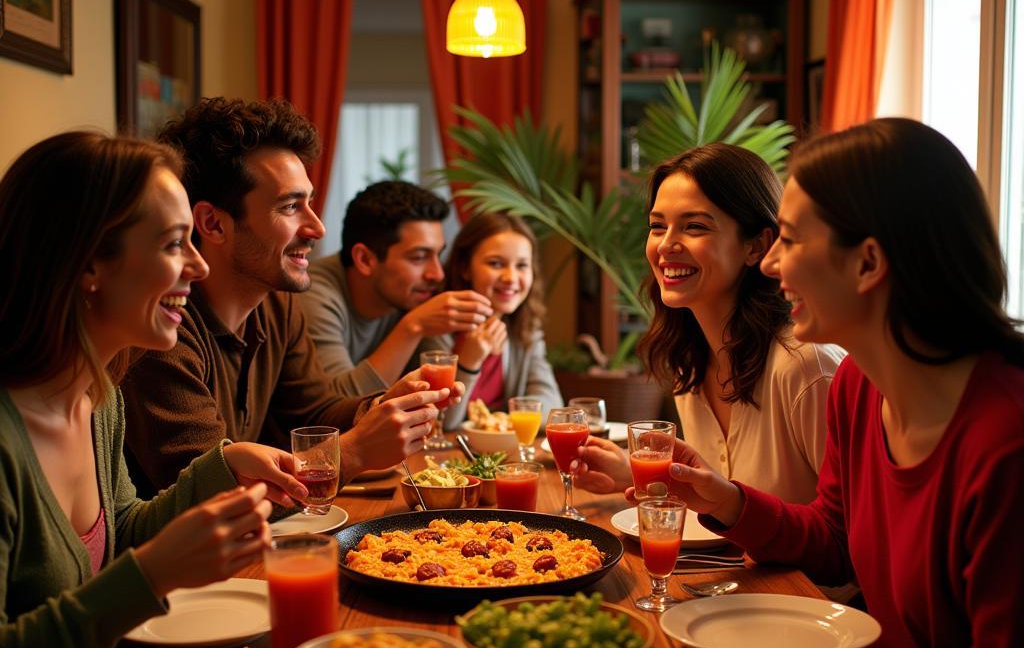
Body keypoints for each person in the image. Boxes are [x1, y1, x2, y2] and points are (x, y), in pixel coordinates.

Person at [667, 119, 1024, 648]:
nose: (771, 263)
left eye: (792, 240)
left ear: (868, 263)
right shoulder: (861, 387)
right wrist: (728, 499)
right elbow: (833, 537)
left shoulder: (1003, 442)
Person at [0, 131, 306, 648]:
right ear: (87, 261)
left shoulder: (96, 397)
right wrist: (152, 575)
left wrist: (224, 465)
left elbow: (120, 534)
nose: (196, 264)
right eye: (174, 244)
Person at [120, 98, 458, 495]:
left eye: (309, 203)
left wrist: (379, 408)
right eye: (290, 206)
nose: (316, 228)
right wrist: (352, 453)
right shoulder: (159, 330)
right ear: (212, 223)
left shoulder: (276, 304)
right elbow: (215, 497)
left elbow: (313, 411)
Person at [573, 143, 842, 504]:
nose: (666, 245)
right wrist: (636, 472)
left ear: (756, 246)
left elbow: (852, 533)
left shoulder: (807, 369)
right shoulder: (689, 363)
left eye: (695, 226)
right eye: (657, 226)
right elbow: (720, 498)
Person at [300, 180, 492, 395]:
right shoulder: (313, 294)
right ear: (365, 259)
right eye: (419, 257)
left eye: (438, 254)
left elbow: (439, 401)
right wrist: (413, 327)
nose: (437, 274)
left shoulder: (416, 292)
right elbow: (335, 408)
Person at [439, 212, 562, 428]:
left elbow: (551, 405)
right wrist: (468, 363)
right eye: (496, 263)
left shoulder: (525, 329)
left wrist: (496, 420)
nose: (511, 277)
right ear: (465, 268)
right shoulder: (438, 327)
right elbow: (442, 423)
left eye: (522, 265)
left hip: (501, 457)